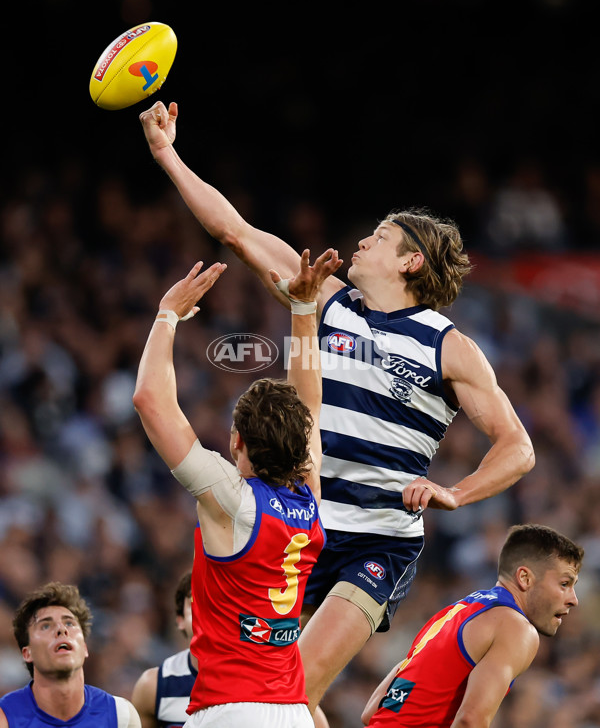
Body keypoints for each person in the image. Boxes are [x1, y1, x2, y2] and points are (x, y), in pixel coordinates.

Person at [137, 100, 535, 724]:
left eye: (377, 238)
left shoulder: (447, 345)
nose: (360, 241)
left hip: (377, 540)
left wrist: (458, 491)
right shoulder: (323, 298)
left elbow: (518, 446)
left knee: (296, 690)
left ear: (410, 262)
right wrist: (167, 155)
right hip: (301, 528)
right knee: (281, 696)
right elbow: (235, 231)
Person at [132, 247, 342, 728]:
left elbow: (149, 400)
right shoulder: (309, 502)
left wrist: (167, 316)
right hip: (293, 713)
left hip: (229, 711)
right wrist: (304, 312)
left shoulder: (231, 499)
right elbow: (309, 404)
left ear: (236, 441)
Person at [362, 523, 583, 728]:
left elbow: (373, 712)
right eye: (564, 583)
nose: (573, 599)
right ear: (524, 578)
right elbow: (470, 720)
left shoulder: (452, 615)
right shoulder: (517, 628)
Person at [0, 581, 141, 728]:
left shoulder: (121, 716)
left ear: (84, 648)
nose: (61, 629)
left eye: (69, 623)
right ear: (28, 653)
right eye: (46, 625)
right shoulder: (4, 718)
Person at [131, 572, 196, 728]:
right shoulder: (154, 685)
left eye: (213, 601)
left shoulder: (259, 676)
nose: (205, 611)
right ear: (180, 621)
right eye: (195, 603)